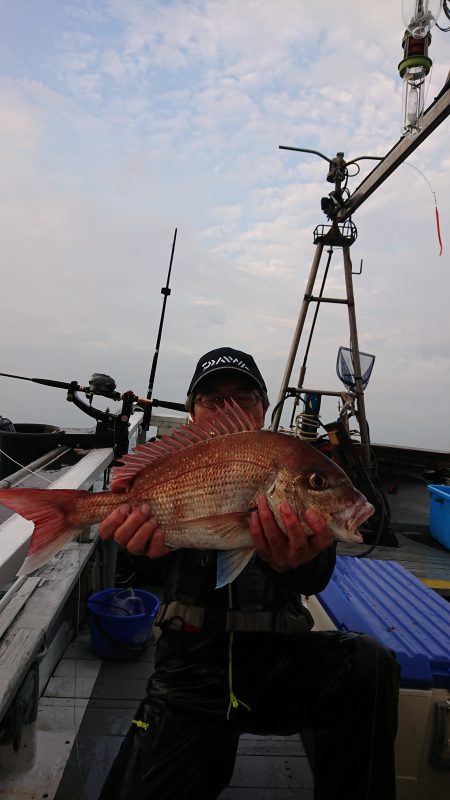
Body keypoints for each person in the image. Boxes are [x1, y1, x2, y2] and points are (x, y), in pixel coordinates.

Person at [98, 346, 400, 800]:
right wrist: (139, 553)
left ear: (263, 406)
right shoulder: (174, 466)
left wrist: (294, 563)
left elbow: (316, 576)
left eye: (243, 396)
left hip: (278, 665)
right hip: (190, 675)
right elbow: (145, 567)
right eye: (212, 399)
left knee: (367, 664)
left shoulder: (288, 461)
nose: (230, 407)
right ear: (191, 411)